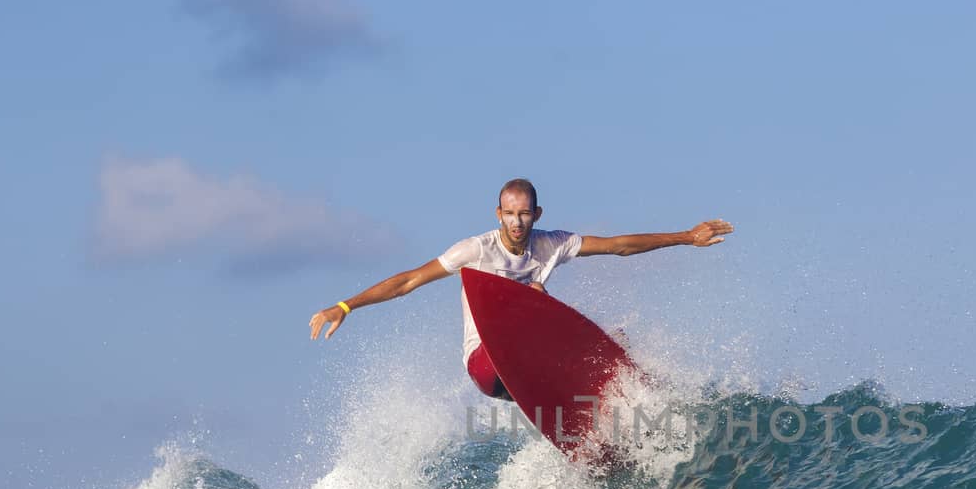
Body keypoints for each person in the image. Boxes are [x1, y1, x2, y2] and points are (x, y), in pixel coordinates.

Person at [308, 178, 733, 399]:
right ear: (498, 213)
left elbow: (618, 247)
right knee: (536, 297)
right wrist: (346, 305)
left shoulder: (553, 243)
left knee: (613, 344)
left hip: (535, 367)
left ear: (537, 214)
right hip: (487, 367)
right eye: (510, 214)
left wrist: (685, 236)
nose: (517, 222)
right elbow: (408, 281)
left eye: (525, 214)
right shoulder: (475, 250)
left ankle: (625, 410)